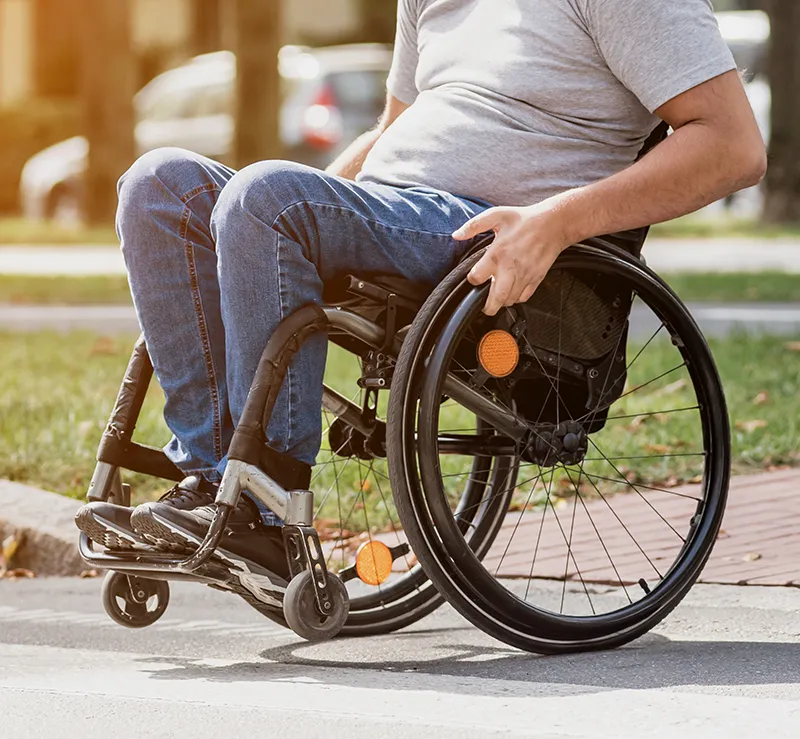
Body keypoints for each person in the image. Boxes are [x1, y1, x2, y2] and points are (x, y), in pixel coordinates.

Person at [75, 0, 766, 576]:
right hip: (391, 211)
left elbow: (733, 145)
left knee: (265, 199)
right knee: (158, 186)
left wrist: (557, 223)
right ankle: (211, 480)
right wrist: (270, 221)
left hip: (487, 230)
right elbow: (393, 129)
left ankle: (266, 504)